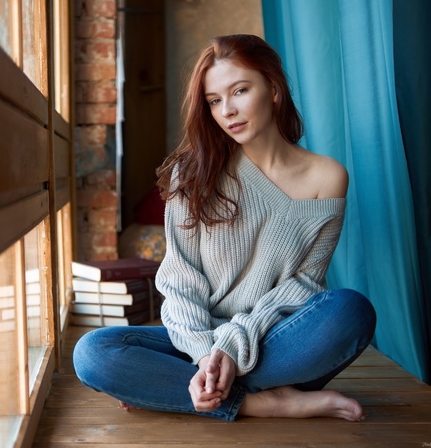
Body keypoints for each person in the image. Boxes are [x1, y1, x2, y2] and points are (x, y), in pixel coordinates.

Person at [73, 34, 376, 422]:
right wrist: (205, 355)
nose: (227, 110)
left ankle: (172, 389)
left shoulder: (327, 177)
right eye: (215, 101)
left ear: (274, 89)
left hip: (272, 342)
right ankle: (261, 403)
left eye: (240, 91)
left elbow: (302, 286)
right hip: (195, 343)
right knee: (93, 352)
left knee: (349, 311)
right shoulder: (194, 172)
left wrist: (233, 348)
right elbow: (180, 279)